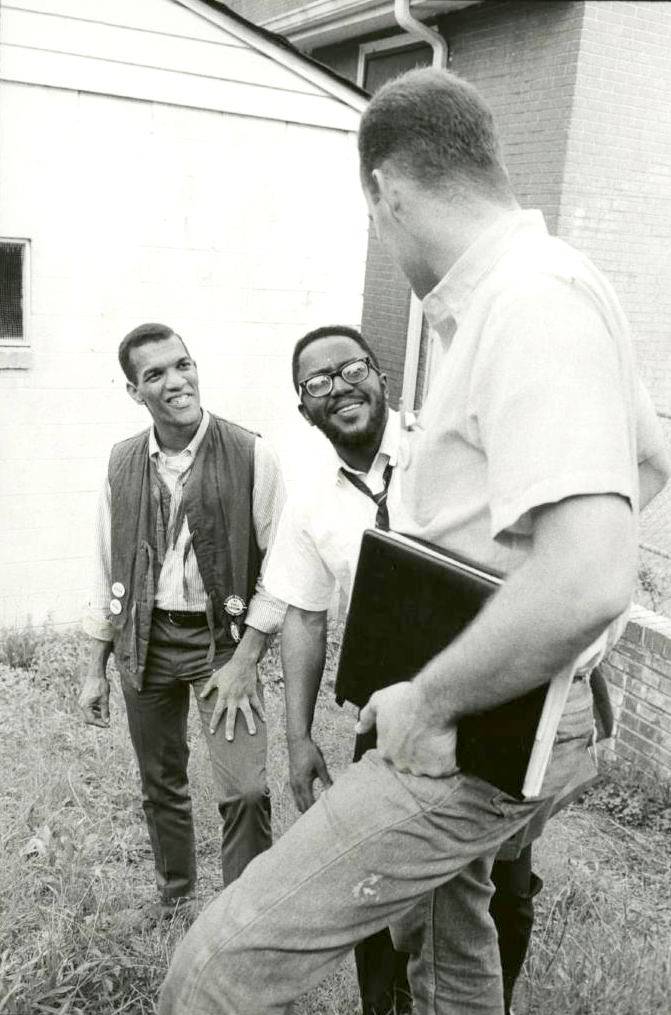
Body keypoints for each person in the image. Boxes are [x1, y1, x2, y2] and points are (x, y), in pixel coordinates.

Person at [159, 69, 669, 1014]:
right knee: (448, 939)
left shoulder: (529, 301)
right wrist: (508, 568)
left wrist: (436, 698)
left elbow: (593, 572)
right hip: (494, 713)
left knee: (214, 969)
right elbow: (649, 456)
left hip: (471, 726)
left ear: (384, 192)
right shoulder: (551, 286)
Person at [264, 323, 545, 1015]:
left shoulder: (450, 450)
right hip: (384, 713)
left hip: (491, 698)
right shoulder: (308, 502)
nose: (339, 387)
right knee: (379, 881)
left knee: (499, 882)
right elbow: (302, 615)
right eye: (317, 383)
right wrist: (297, 739)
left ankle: (482, 1001)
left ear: (380, 373)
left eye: (351, 367)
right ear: (305, 409)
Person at [78, 322, 286, 917]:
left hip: (222, 640)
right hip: (143, 636)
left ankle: (242, 915)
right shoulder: (121, 463)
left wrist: (246, 658)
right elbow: (104, 563)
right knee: (160, 781)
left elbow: (282, 568)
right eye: (155, 374)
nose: (176, 382)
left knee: (245, 788)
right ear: (133, 390)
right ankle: (175, 896)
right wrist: (94, 665)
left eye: (183, 365)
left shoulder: (252, 453)